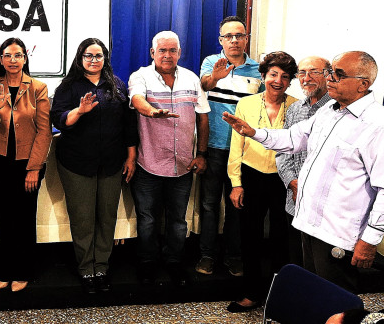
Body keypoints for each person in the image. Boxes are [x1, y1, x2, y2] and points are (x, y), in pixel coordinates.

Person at [222, 51, 384, 294]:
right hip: (309, 224)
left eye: (339, 74)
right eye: (330, 71)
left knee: (334, 300)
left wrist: (371, 239)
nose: (330, 78)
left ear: (363, 84)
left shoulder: (380, 125)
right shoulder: (330, 111)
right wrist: (254, 133)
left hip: (338, 233)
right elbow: (294, 137)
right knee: (313, 295)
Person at [50, 38, 138, 294]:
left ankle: (102, 266)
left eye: (98, 56)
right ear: (80, 58)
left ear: (105, 59)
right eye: (88, 56)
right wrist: (78, 111)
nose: (93, 60)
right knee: (83, 219)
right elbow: (58, 118)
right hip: (77, 164)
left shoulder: (117, 85)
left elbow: (129, 124)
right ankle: (85, 267)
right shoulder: (68, 86)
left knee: (106, 216)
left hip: (111, 163)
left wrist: (131, 157)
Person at [128, 31, 209, 287]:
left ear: (179, 53)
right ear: (153, 53)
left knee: (177, 221)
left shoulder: (191, 78)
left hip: (183, 166)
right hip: (148, 164)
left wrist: (202, 154)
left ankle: (174, 263)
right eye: (162, 50)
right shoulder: (140, 76)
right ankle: (147, 264)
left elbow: (203, 118)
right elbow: (137, 100)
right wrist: (152, 112)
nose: (167, 55)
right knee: (148, 220)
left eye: (172, 50)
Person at [225, 51, 298, 313]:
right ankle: (252, 293)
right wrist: (236, 182)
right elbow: (237, 145)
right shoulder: (246, 104)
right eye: (274, 74)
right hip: (252, 175)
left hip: (284, 179)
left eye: (285, 76)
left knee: (283, 239)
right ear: (264, 75)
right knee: (250, 236)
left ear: (290, 81)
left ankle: (280, 295)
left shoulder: (297, 106)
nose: (278, 81)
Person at [0, 37, 52, 292]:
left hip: (27, 164)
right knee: (3, 218)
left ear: (25, 58)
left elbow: (44, 132)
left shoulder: (38, 88)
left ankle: (23, 270)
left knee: (24, 218)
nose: (12, 60)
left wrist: (34, 168)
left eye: (17, 55)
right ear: (0, 59)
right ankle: (5, 270)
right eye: (7, 55)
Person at [196, 16, 261, 277]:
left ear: (246, 38)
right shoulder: (212, 63)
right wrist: (215, 78)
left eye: (239, 35)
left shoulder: (258, 69)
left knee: (238, 205)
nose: (234, 40)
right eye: (228, 36)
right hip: (213, 146)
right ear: (221, 40)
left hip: (245, 149)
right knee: (210, 204)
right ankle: (207, 255)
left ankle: (234, 256)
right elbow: (202, 87)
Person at [275, 56, 332, 266]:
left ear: (328, 75)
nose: (306, 78)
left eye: (314, 72)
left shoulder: (338, 110)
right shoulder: (295, 109)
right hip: (294, 200)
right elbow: (283, 152)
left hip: (323, 208)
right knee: (297, 261)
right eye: (302, 73)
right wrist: (293, 182)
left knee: (321, 266)